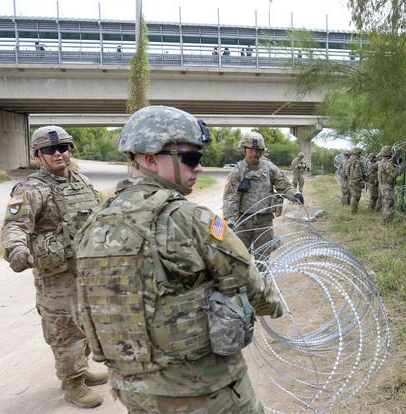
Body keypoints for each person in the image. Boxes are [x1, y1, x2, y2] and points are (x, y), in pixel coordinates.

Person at [74, 106, 283, 413]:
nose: (199, 167)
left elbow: (84, 306)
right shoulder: (191, 219)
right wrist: (273, 307)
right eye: (192, 158)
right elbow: (254, 288)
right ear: (150, 159)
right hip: (205, 390)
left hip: (132, 391)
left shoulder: (94, 222)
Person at [1, 126, 106, 409]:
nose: (58, 153)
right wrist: (17, 249)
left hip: (85, 268)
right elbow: (14, 225)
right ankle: (72, 384)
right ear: (38, 155)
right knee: (64, 328)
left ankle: (81, 371)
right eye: (49, 150)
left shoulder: (81, 180)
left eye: (63, 148)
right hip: (56, 273)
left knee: (85, 321)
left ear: (70, 150)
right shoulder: (31, 187)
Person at [223, 131, 303, 270]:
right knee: (240, 259)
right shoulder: (237, 171)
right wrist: (230, 221)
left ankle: (261, 286)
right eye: (251, 150)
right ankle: (242, 288)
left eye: (258, 151)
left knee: (263, 258)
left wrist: (295, 195)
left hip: (264, 220)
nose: (254, 154)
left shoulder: (269, 168)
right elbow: (231, 197)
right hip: (243, 221)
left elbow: (283, 186)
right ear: (244, 150)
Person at [377, 145, 406, 222]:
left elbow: (393, 160)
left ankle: (386, 218)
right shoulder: (386, 164)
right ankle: (388, 221)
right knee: (389, 203)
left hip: (384, 185)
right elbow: (395, 173)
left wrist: (398, 153)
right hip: (387, 186)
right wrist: (404, 165)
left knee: (386, 202)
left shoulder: (383, 160)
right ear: (389, 153)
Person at [347, 147, 365, 213]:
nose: (360, 154)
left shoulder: (350, 160)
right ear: (357, 153)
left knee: (353, 195)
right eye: (360, 153)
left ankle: (353, 209)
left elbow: (347, 171)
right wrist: (361, 181)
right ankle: (354, 211)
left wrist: (350, 178)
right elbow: (358, 173)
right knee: (356, 196)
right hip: (356, 181)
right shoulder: (357, 161)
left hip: (351, 180)